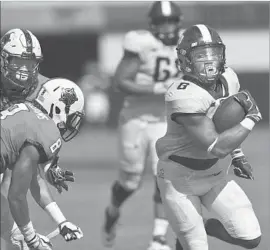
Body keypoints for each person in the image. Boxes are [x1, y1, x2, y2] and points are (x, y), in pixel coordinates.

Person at [155, 24, 262, 250]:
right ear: (185, 60)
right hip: (180, 179)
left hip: (214, 174)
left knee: (251, 238)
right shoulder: (181, 93)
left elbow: (226, 124)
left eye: (214, 53)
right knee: (196, 247)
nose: (209, 60)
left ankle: (205, 227)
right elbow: (216, 146)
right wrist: (252, 117)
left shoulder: (229, 78)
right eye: (200, 55)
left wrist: (239, 154)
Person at [102, 1, 184, 250]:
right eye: (162, 22)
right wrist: (157, 88)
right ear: (152, 24)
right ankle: (113, 210)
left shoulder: (186, 43)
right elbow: (120, 81)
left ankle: (158, 238)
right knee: (130, 182)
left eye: (171, 21)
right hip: (136, 118)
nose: (167, 27)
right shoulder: (142, 43)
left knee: (165, 177)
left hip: (165, 120)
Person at [0, 29, 79, 249]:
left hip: (12, 148)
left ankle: (17, 239)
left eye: (30, 62)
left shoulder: (44, 89)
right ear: (4, 58)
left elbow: (35, 144)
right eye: (18, 61)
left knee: (11, 182)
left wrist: (50, 165)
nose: (25, 69)